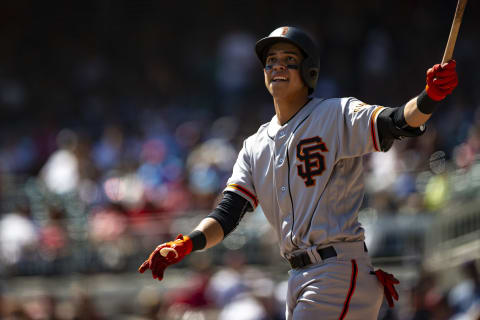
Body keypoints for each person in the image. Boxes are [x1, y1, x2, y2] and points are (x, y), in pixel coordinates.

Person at [139, 26, 458, 319]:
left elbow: (395, 122)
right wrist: (186, 243)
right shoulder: (254, 146)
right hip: (299, 277)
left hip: (336, 270)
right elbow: (227, 214)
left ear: (309, 71)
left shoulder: (335, 114)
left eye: (288, 59)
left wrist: (429, 98)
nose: (276, 65)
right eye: (271, 60)